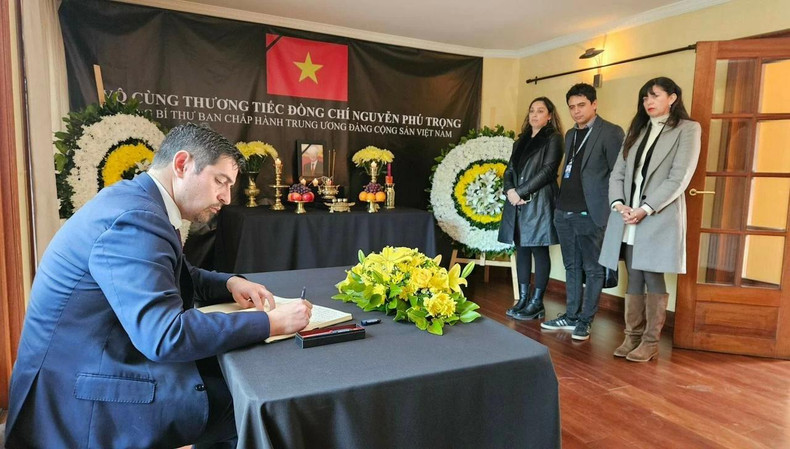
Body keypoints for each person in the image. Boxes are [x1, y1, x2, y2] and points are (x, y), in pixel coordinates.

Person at [5, 123, 313, 448]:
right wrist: (270, 322)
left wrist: (231, 283)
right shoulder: (136, 220)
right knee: (249, 404)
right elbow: (166, 336)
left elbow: (180, 274)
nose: (226, 196)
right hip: (80, 394)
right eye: (220, 181)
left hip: (89, 363)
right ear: (182, 165)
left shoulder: (136, 201)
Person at [599, 77, 701, 362]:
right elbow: (617, 173)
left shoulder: (688, 129)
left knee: (651, 274)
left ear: (673, 98)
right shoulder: (638, 129)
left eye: (654, 95)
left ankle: (651, 341)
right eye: (645, 97)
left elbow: (679, 177)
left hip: (657, 214)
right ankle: (631, 336)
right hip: (627, 215)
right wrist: (619, 204)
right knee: (634, 274)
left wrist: (645, 208)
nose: (648, 102)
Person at [540, 83, 624, 341]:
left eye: (581, 105)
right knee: (571, 266)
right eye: (572, 107)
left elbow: (617, 174)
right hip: (564, 210)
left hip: (592, 212)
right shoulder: (570, 135)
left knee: (593, 268)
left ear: (594, 104)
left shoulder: (611, 132)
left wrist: (611, 211)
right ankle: (571, 314)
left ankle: (585, 321)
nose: (576, 112)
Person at [498, 97, 564, 320]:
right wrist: (510, 191)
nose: (535, 115)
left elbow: (547, 171)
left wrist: (520, 192)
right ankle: (524, 299)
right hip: (517, 202)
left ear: (549, 116)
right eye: (532, 110)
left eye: (540, 111)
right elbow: (509, 171)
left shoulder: (553, 139)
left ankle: (537, 302)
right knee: (522, 248)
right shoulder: (521, 140)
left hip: (539, 202)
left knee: (538, 248)